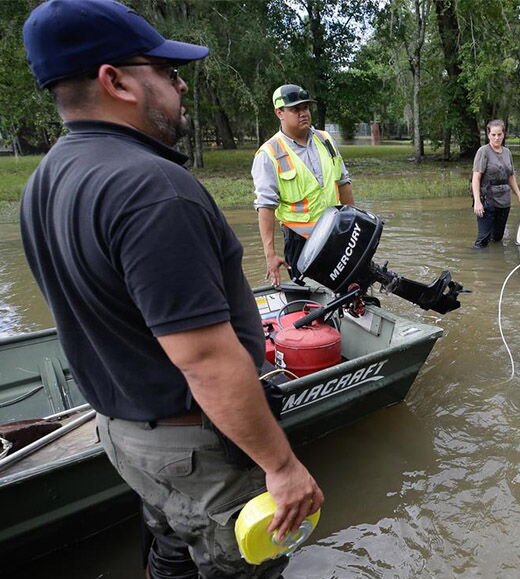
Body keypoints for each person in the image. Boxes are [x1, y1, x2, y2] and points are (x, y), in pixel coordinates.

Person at [19, 1, 324, 576]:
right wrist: (281, 466)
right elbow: (206, 360)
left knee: (171, 550)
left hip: (122, 433)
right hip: (193, 446)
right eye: (165, 70)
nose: (180, 84)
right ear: (116, 81)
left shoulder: (46, 179)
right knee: (244, 567)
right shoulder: (154, 189)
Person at [253, 84, 355, 286]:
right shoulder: (269, 154)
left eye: (306, 108)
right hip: (302, 242)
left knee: (350, 291)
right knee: (311, 301)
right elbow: (265, 206)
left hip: (337, 233)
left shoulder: (325, 140)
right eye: (295, 109)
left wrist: (354, 222)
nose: (303, 114)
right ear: (279, 113)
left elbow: (343, 182)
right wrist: (270, 254)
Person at [471, 119, 520, 248]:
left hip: (504, 201)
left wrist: (519, 196)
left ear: (503, 134)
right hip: (487, 200)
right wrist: (477, 201)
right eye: (493, 135)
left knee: (497, 238)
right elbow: (476, 178)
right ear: (488, 135)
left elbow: (511, 176)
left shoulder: (507, 152)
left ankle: (495, 260)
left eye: (499, 134)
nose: (496, 138)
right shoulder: (483, 152)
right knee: (483, 239)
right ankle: (478, 262)